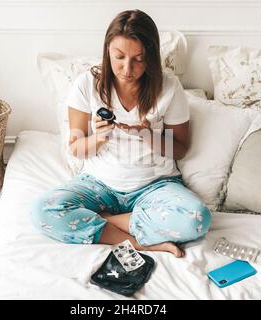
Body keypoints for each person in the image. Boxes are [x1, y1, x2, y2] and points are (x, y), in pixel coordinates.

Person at [31, 9, 211, 257]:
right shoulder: (86, 85)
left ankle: (107, 221)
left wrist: (147, 135)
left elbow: (180, 148)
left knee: (196, 219)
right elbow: (75, 147)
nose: (128, 68)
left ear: (151, 57)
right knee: (44, 210)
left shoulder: (169, 87)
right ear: (107, 52)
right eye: (119, 57)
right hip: (99, 184)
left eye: (138, 59)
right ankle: (138, 242)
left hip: (155, 185)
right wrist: (99, 137)